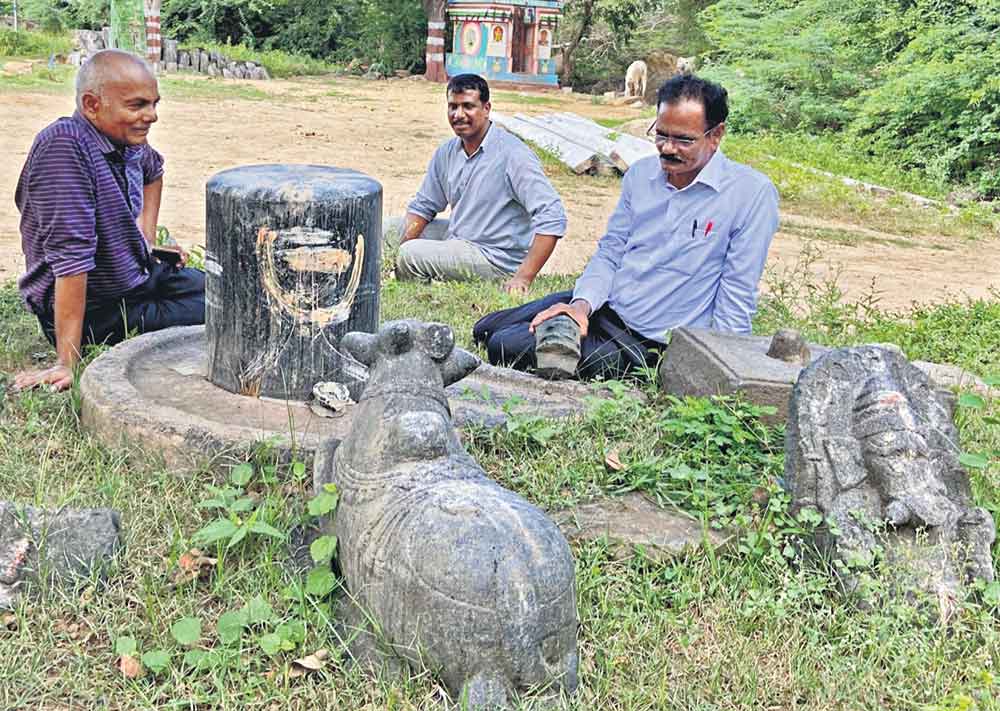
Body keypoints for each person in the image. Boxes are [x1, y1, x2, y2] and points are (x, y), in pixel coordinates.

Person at [473, 74, 780, 380]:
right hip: (606, 306)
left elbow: (737, 291)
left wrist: (718, 369)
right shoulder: (641, 175)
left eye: (684, 140)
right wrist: (581, 306)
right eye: (661, 135)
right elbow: (611, 252)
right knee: (485, 329)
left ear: (716, 135)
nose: (668, 149)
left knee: (503, 345)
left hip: (646, 342)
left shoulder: (750, 194)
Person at [13, 49, 205, 393]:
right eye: (137, 105)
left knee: (231, 293)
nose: (152, 116)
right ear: (91, 105)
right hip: (99, 308)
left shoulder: (125, 139)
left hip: (138, 275)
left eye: (154, 104)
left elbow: (154, 172)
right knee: (227, 314)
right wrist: (66, 363)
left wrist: (144, 238)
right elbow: (71, 262)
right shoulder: (65, 149)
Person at [394, 73, 567, 294]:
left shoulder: (513, 154)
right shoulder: (447, 152)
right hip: (459, 239)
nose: (459, 115)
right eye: (453, 107)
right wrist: (398, 245)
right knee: (388, 231)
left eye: (468, 106)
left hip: (494, 257)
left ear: (486, 109)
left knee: (410, 255)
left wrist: (523, 277)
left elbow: (553, 216)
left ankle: (418, 298)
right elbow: (423, 206)